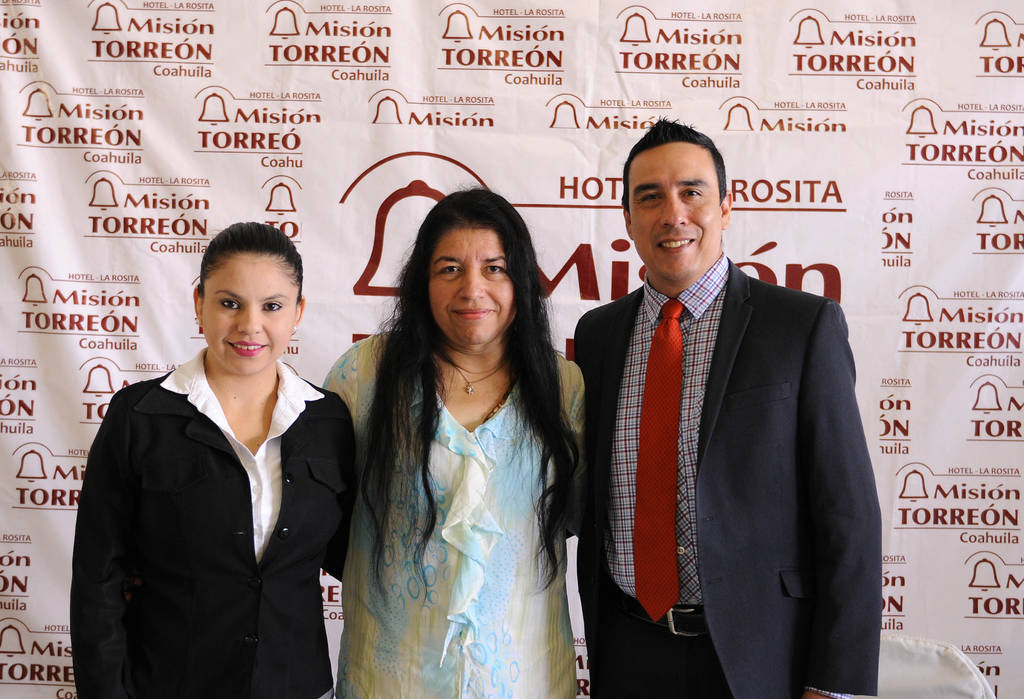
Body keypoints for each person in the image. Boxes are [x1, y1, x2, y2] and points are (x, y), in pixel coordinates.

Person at [573, 119, 881, 698]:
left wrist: (836, 684)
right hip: (626, 650)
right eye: (650, 197)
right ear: (628, 221)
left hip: (759, 660)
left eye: (692, 192)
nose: (673, 214)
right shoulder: (597, 335)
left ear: (726, 207)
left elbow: (848, 516)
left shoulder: (801, 327)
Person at [71, 222, 356, 699]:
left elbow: (357, 555)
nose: (250, 325)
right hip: (167, 683)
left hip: (294, 685)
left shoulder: (329, 420)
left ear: (298, 312)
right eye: (229, 303)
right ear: (199, 303)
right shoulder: (139, 416)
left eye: (272, 306)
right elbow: (97, 579)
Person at [324, 188, 584, 698]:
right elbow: (323, 517)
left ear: (521, 280)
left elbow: (579, 517)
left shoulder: (563, 387)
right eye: (449, 269)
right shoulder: (364, 375)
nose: (472, 289)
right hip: (392, 679)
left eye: (494, 268)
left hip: (525, 676)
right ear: (422, 282)